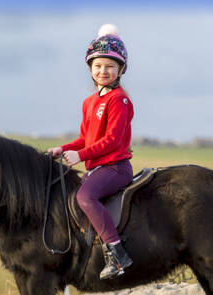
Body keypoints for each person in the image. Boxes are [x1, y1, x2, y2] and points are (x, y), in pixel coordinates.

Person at [48, 24, 134, 280]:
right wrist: (63, 148)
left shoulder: (120, 100)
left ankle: (117, 253)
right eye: (98, 66)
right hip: (97, 168)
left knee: (85, 197)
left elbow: (112, 140)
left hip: (115, 168)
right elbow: (86, 138)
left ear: (120, 70)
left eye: (109, 66)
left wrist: (81, 156)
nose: (103, 71)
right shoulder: (89, 102)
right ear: (91, 69)